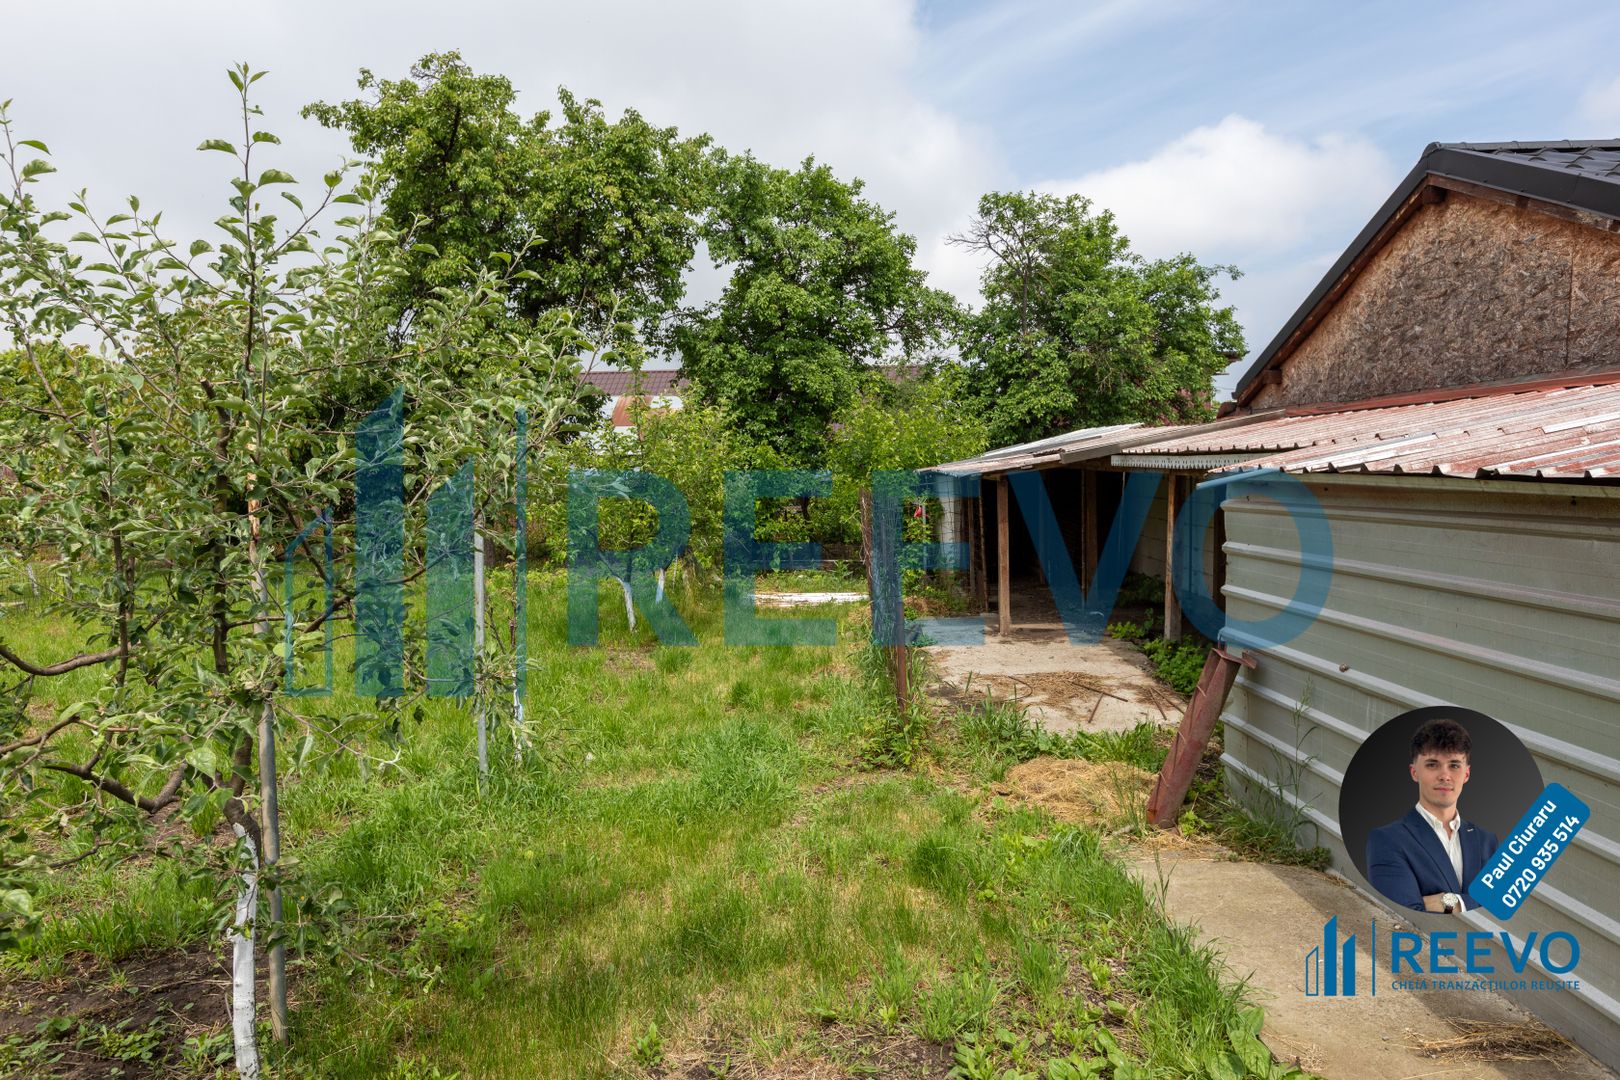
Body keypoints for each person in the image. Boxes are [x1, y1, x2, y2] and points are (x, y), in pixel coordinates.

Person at [1365, 718, 1499, 914]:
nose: (1444, 776)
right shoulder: (1387, 840)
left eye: (1454, 765)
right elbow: (1406, 912)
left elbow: (1501, 908)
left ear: (1467, 774)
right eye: (1432, 765)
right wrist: (1474, 902)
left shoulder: (1487, 841)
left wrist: (1448, 902)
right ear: (1414, 772)